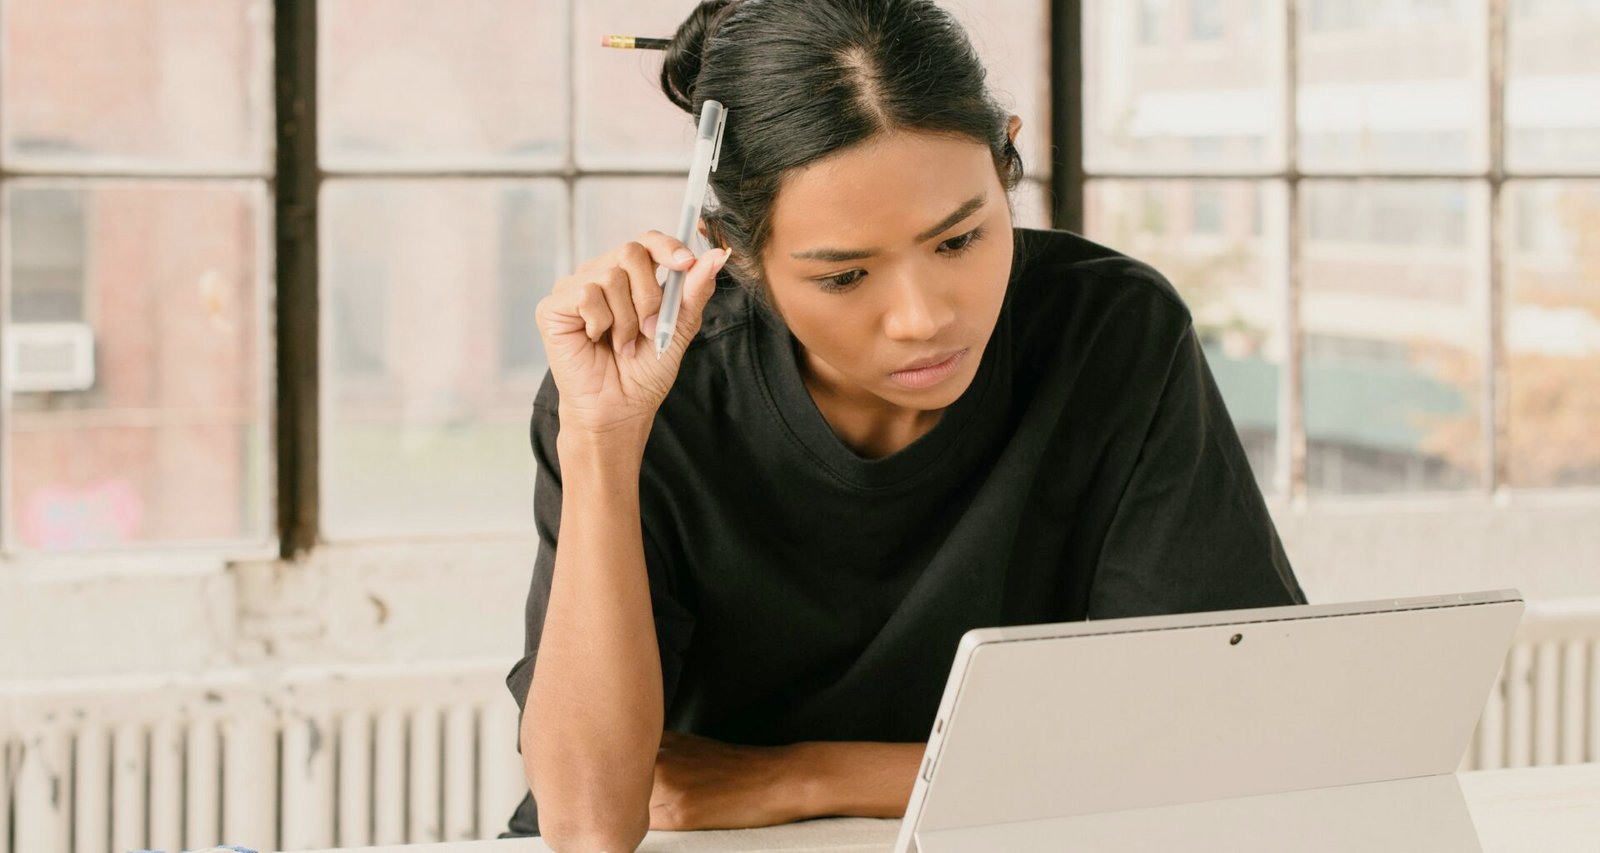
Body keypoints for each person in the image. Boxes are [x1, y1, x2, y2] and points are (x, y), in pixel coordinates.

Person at [504, 0, 1306, 849]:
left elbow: (1228, 737)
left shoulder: (1110, 331)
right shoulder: (644, 389)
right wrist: (602, 437)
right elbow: (590, 824)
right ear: (729, 250)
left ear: (1006, 163)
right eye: (846, 276)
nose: (924, 318)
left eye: (959, 241)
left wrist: (796, 776)